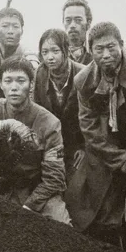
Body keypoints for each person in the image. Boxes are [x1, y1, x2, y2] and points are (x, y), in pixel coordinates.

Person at [66, 22, 126, 247]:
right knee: (88, 205)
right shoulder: (84, 80)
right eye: (99, 49)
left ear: (121, 44)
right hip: (109, 150)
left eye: (111, 47)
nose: (106, 55)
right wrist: (122, 160)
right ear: (90, 50)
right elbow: (90, 129)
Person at [0, 57, 70, 223]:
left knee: (61, 226)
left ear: (31, 85)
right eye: (8, 81)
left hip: (35, 192)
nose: (14, 87)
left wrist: (28, 207)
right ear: (1, 85)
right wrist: (4, 125)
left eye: (21, 81)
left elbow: (54, 178)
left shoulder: (49, 123)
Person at [32, 29, 85, 171]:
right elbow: (37, 111)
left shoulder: (83, 73)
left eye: (55, 51)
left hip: (78, 144)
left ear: (65, 51)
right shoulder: (40, 73)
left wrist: (84, 147)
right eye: (45, 52)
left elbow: (93, 116)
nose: (50, 57)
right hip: (52, 143)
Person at [0, 7, 26, 98]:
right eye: (5, 26)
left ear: (22, 32)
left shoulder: (27, 58)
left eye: (15, 27)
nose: (10, 31)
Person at [62, 0, 93, 65]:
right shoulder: (53, 55)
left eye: (78, 20)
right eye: (68, 20)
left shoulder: (97, 55)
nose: (72, 25)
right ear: (63, 23)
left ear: (88, 24)